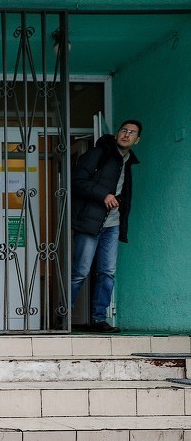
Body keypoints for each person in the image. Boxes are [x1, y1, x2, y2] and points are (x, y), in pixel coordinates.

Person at [70, 120, 142, 333]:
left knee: (107, 272)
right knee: (80, 271)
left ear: (137, 140)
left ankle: (98, 318)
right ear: (117, 134)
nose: (126, 135)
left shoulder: (128, 161)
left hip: (112, 224)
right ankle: (63, 317)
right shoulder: (98, 153)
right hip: (90, 222)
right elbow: (76, 181)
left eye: (132, 133)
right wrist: (103, 195)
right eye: (124, 130)